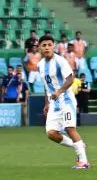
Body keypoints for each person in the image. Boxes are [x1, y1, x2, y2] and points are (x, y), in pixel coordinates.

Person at [37, 35, 90, 168]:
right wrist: (47, 103)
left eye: (49, 45)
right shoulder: (40, 65)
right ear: (40, 48)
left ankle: (83, 161)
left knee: (70, 128)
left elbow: (70, 78)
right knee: (51, 133)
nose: (47, 47)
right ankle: (79, 145)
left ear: (53, 46)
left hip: (66, 99)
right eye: (44, 45)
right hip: (53, 102)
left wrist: (59, 91)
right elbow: (46, 86)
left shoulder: (60, 61)